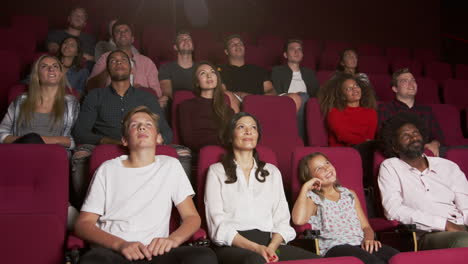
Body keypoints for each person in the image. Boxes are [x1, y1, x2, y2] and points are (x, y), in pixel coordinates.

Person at [75, 106, 217, 264]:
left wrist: (172, 240)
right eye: (134, 125)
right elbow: (83, 224)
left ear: (158, 138)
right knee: (92, 260)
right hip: (116, 251)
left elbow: (191, 217)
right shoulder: (107, 169)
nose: (141, 127)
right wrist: (121, 245)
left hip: (156, 252)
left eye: (148, 124)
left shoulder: (170, 165)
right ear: (124, 140)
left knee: (203, 256)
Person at [204, 112, 320, 264]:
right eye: (241, 127)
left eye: (253, 127)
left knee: (318, 261)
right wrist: (256, 248)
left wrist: (271, 247)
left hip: (270, 245)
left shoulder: (272, 172)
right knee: (256, 260)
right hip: (233, 246)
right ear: (230, 135)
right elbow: (217, 224)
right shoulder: (216, 171)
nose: (248, 131)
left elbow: (282, 219)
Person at [72, 49, 171, 206]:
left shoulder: (147, 97)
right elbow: (80, 133)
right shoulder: (95, 96)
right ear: (108, 70)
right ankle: (83, 209)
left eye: (123, 60)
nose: (118, 62)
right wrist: (110, 141)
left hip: (142, 147)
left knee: (180, 152)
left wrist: (145, 143)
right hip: (105, 146)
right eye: (113, 61)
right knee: (80, 154)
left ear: (132, 69)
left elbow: (166, 132)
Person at [378, 112, 468, 250]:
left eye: (415, 132)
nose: (413, 137)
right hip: (428, 234)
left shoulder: (447, 166)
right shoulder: (390, 167)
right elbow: (393, 210)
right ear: (395, 147)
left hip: (461, 226)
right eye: (405, 136)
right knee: (464, 241)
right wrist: (444, 224)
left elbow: (466, 205)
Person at [292, 152, 399, 264]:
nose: (326, 168)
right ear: (310, 178)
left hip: (360, 244)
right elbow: (298, 220)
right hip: (334, 248)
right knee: (372, 261)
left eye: (327, 163)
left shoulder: (349, 194)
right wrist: (305, 188)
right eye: (319, 169)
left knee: (396, 257)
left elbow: (366, 227)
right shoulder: (312, 198)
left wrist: (369, 239)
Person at [0, 55, 79, 150]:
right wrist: (26, 141)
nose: (51, 69)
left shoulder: (71, 104)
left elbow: (74, 142)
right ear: (37, 75)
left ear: (61, 74)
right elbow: (2, 134)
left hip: (53, 156)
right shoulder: (21, 101)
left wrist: (35, 140)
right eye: (44, 66)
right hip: (21, 152)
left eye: (55, 66)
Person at [87, 20, 163, 106]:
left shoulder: (146, 62)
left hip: (141, 108)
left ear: (132, 38)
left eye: (126, 31)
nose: (122, 33)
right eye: (118, 31)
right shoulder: (105, 58)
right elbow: (90, 88)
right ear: (114, 39)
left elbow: (157, 93)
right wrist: (108, 70)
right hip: (111, 105)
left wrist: (141, 90)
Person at [377, 68, 444, 157]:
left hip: (427, 154)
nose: (411, 83)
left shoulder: (426, 110)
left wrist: (435, 143)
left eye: (413, 80)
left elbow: (438, 135)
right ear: (395, 88)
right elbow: (384, 138)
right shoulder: (385, 109)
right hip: (400, 154)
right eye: (404, 81)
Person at [178, 61, 234, 152]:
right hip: (200, 153)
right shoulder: (185, 107)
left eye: (212, 72)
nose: (209, 76)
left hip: (225, 154)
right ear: (197, 82)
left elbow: (232, 138)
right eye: (203, 73)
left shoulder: (228, 111)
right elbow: (188, 140)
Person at [271, 39, 320, 139]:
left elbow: (316, 94)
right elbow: (275, 94)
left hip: (308, 105)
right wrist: (295, 95)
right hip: (285, 104)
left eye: (299, 49)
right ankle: (300, 139)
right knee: (303, 96)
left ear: (302, 55)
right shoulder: (277, 71)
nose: (297, 52)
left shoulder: (309, 73)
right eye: (292, 49)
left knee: (305, 97)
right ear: (285, 54)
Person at [218, 34, 276, 111]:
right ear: (226, 51)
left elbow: (271, 90)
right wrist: (240, 95)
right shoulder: (220, 70)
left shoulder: (259, 70)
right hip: (235, 102)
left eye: (240, 43)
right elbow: (222, 92)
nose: (237, 46)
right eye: (233, 44)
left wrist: (252, 98)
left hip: (258, 101)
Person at [319, 73, 377, 147]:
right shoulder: (334, 112)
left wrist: (367, 143)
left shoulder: (371, 112)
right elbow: (343, 136)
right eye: (349, 89)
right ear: (343, 96)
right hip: (343, 151)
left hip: (365, 149)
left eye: (356, 86)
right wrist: (365, 142)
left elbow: (370, 137)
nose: (354, 89)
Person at [159, 31, 197, 100]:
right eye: (181, 39)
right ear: (175, 47)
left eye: (189, 39)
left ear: (193, 47)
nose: (186, 40)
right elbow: (167, 94)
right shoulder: (166, 68)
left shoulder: (201, 68)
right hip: (175, 106)